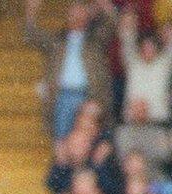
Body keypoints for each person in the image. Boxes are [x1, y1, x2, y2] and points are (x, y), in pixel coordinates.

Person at [24, 0, 118, 140]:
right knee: (61, 142)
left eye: (81, 11)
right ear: (67, 16)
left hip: (89, 96)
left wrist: (105, 5)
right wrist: (31, 10)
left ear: (88, 16)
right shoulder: (56, 42)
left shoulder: (96, 41)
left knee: (87, 141)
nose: (77, 15)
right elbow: (31, 35)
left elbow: (114, 23)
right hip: (62, 96)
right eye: (73, 12)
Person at [119, 12, 172, 124]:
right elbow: (126, 38)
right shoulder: (133, 63)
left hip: (158, 120)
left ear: (157, 49)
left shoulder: (164, 64)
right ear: (139, 48)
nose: (148, 50)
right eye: (145, 47)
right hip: (132, 120)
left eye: (151, 47)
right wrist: (129, 21)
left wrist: (168, 30)